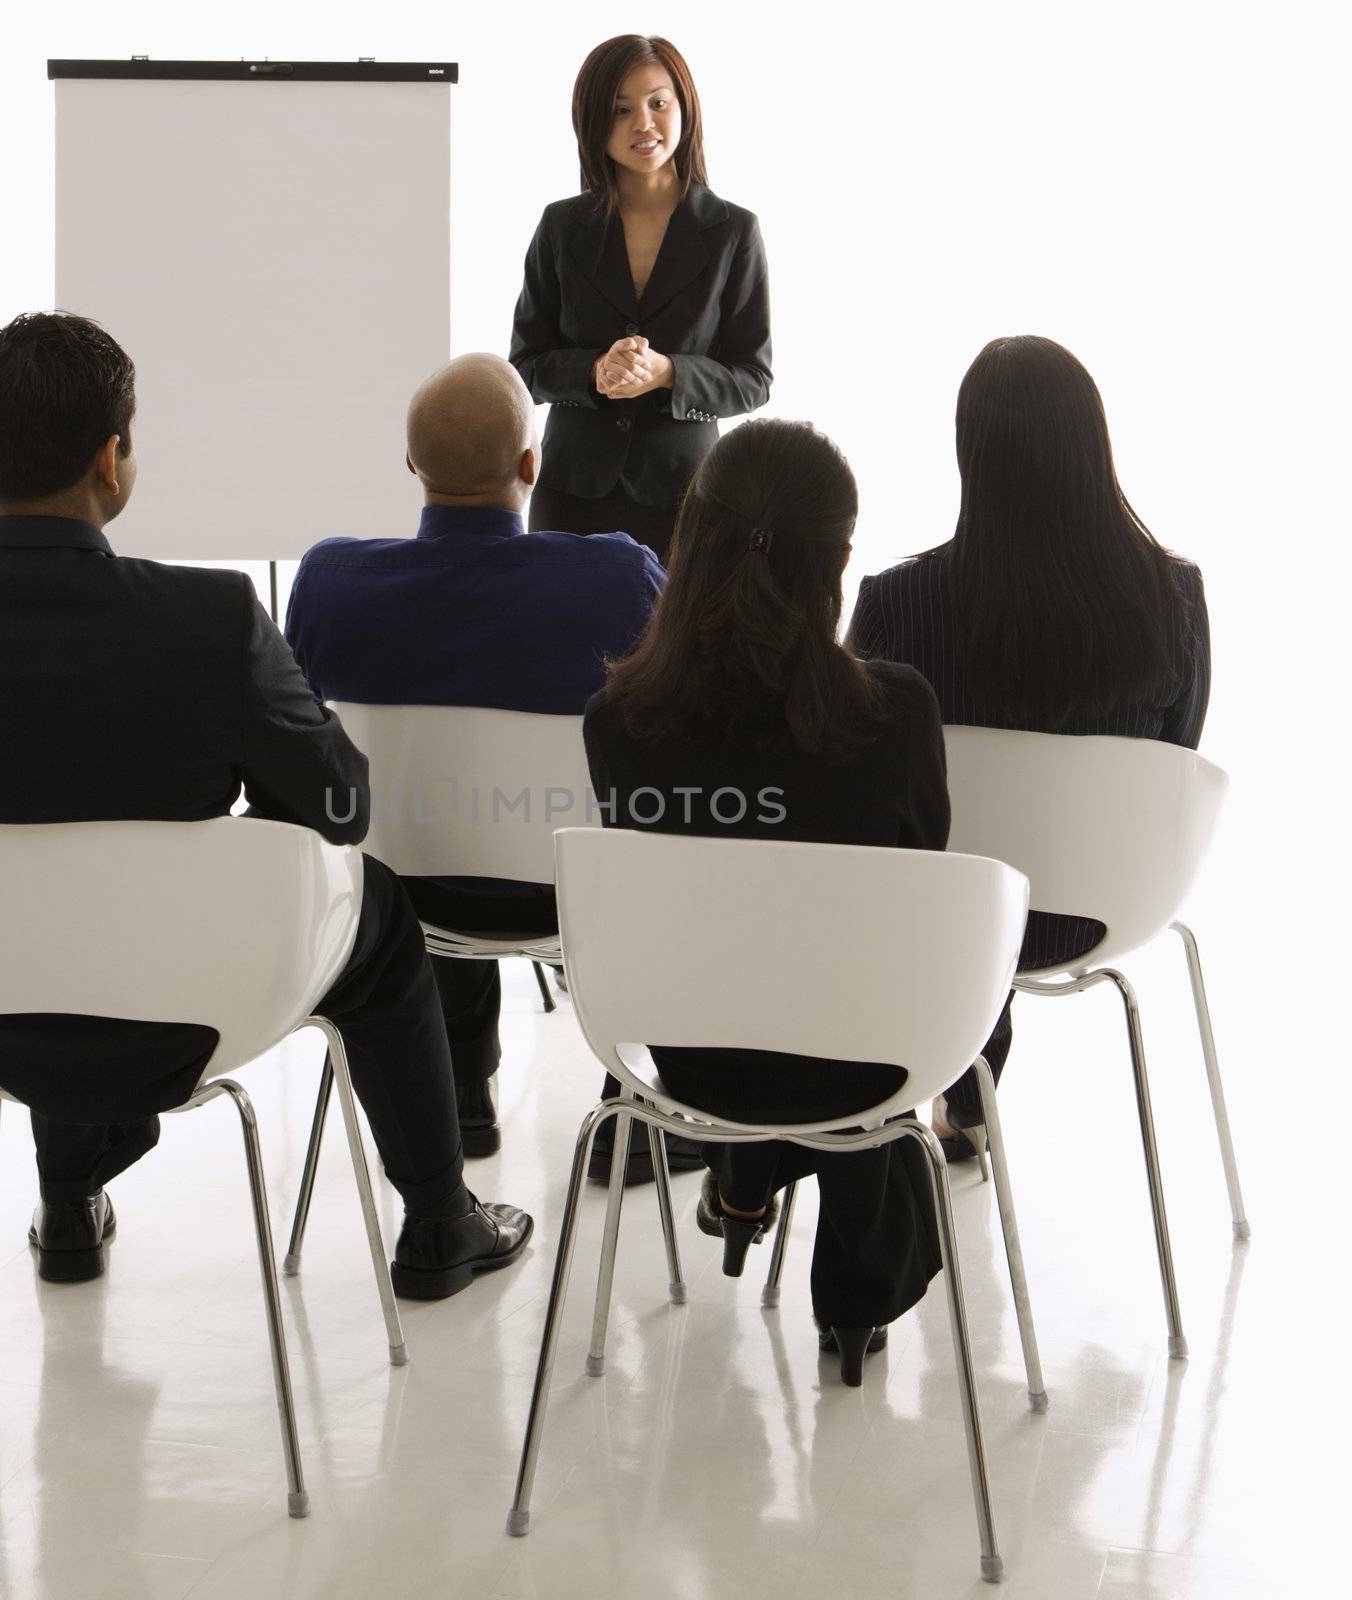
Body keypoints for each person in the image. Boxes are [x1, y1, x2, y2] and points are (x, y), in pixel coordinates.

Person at [0, 311, 531, 1299]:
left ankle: (68, 1201)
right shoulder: (206, 623)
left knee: (37, 880)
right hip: (192, 1006)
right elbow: (337, 801)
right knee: (375, 907)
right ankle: (437, 1221)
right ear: (113, 459)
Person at [584, 418, 948, 1383]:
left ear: (687, 542)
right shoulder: (895, 711)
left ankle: (746, 1183)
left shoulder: (619, 720)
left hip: (694, 1067)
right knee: (855, 1001)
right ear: (838, 559)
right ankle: (857, 1300)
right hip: (867, 1065)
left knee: (775, 982)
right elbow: (919, 888)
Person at [286, 353, 701, 1185]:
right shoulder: (615, 578)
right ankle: (647, 1098)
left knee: (431, 819)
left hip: (400, 902)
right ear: (530, 465)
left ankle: (460, 1092)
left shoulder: (332, 582)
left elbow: (299, 737)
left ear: (412, 465)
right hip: (572, 892)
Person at [848, 334, 1211, 1161]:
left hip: (949, 918)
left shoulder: (897, 604)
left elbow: (861, 780)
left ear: (968, 454)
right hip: (1107, 909)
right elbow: (1172, 768)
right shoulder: (1174, 596)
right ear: (1094, 445)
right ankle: (968, 1100)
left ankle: (946, 1084)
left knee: (957, 848)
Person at [509, 33, 772, 562]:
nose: (643, 124)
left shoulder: (732, 231)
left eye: (658, 103)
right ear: (592, 122)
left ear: (685, 108)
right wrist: (593, 371)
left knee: (678, 644)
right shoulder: (561, 226)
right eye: (620, 110)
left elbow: (754, 379)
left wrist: (670, 372)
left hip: (687, 497)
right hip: (572, 497)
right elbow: (524, 368)